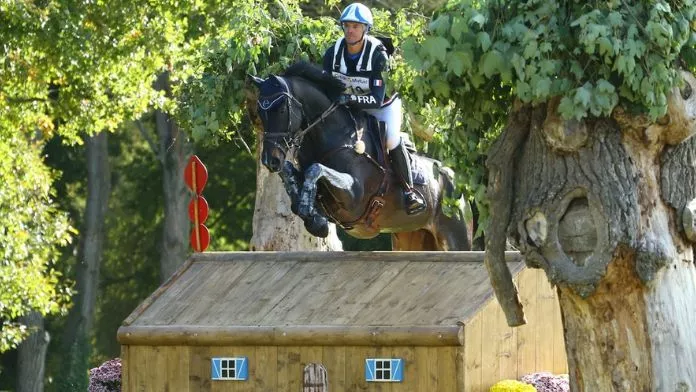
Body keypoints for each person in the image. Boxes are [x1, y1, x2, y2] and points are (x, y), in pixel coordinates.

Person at [322, 2, 426, 215]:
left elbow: (376, 99)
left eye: (356, 26)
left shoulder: (377, 54)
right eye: (347, 26)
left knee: (391, 139)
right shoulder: (333, 53)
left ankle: (410, 192)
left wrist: (345, 99)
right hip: (349, 106)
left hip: (382, 107)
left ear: (365, 29)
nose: (350, 31)